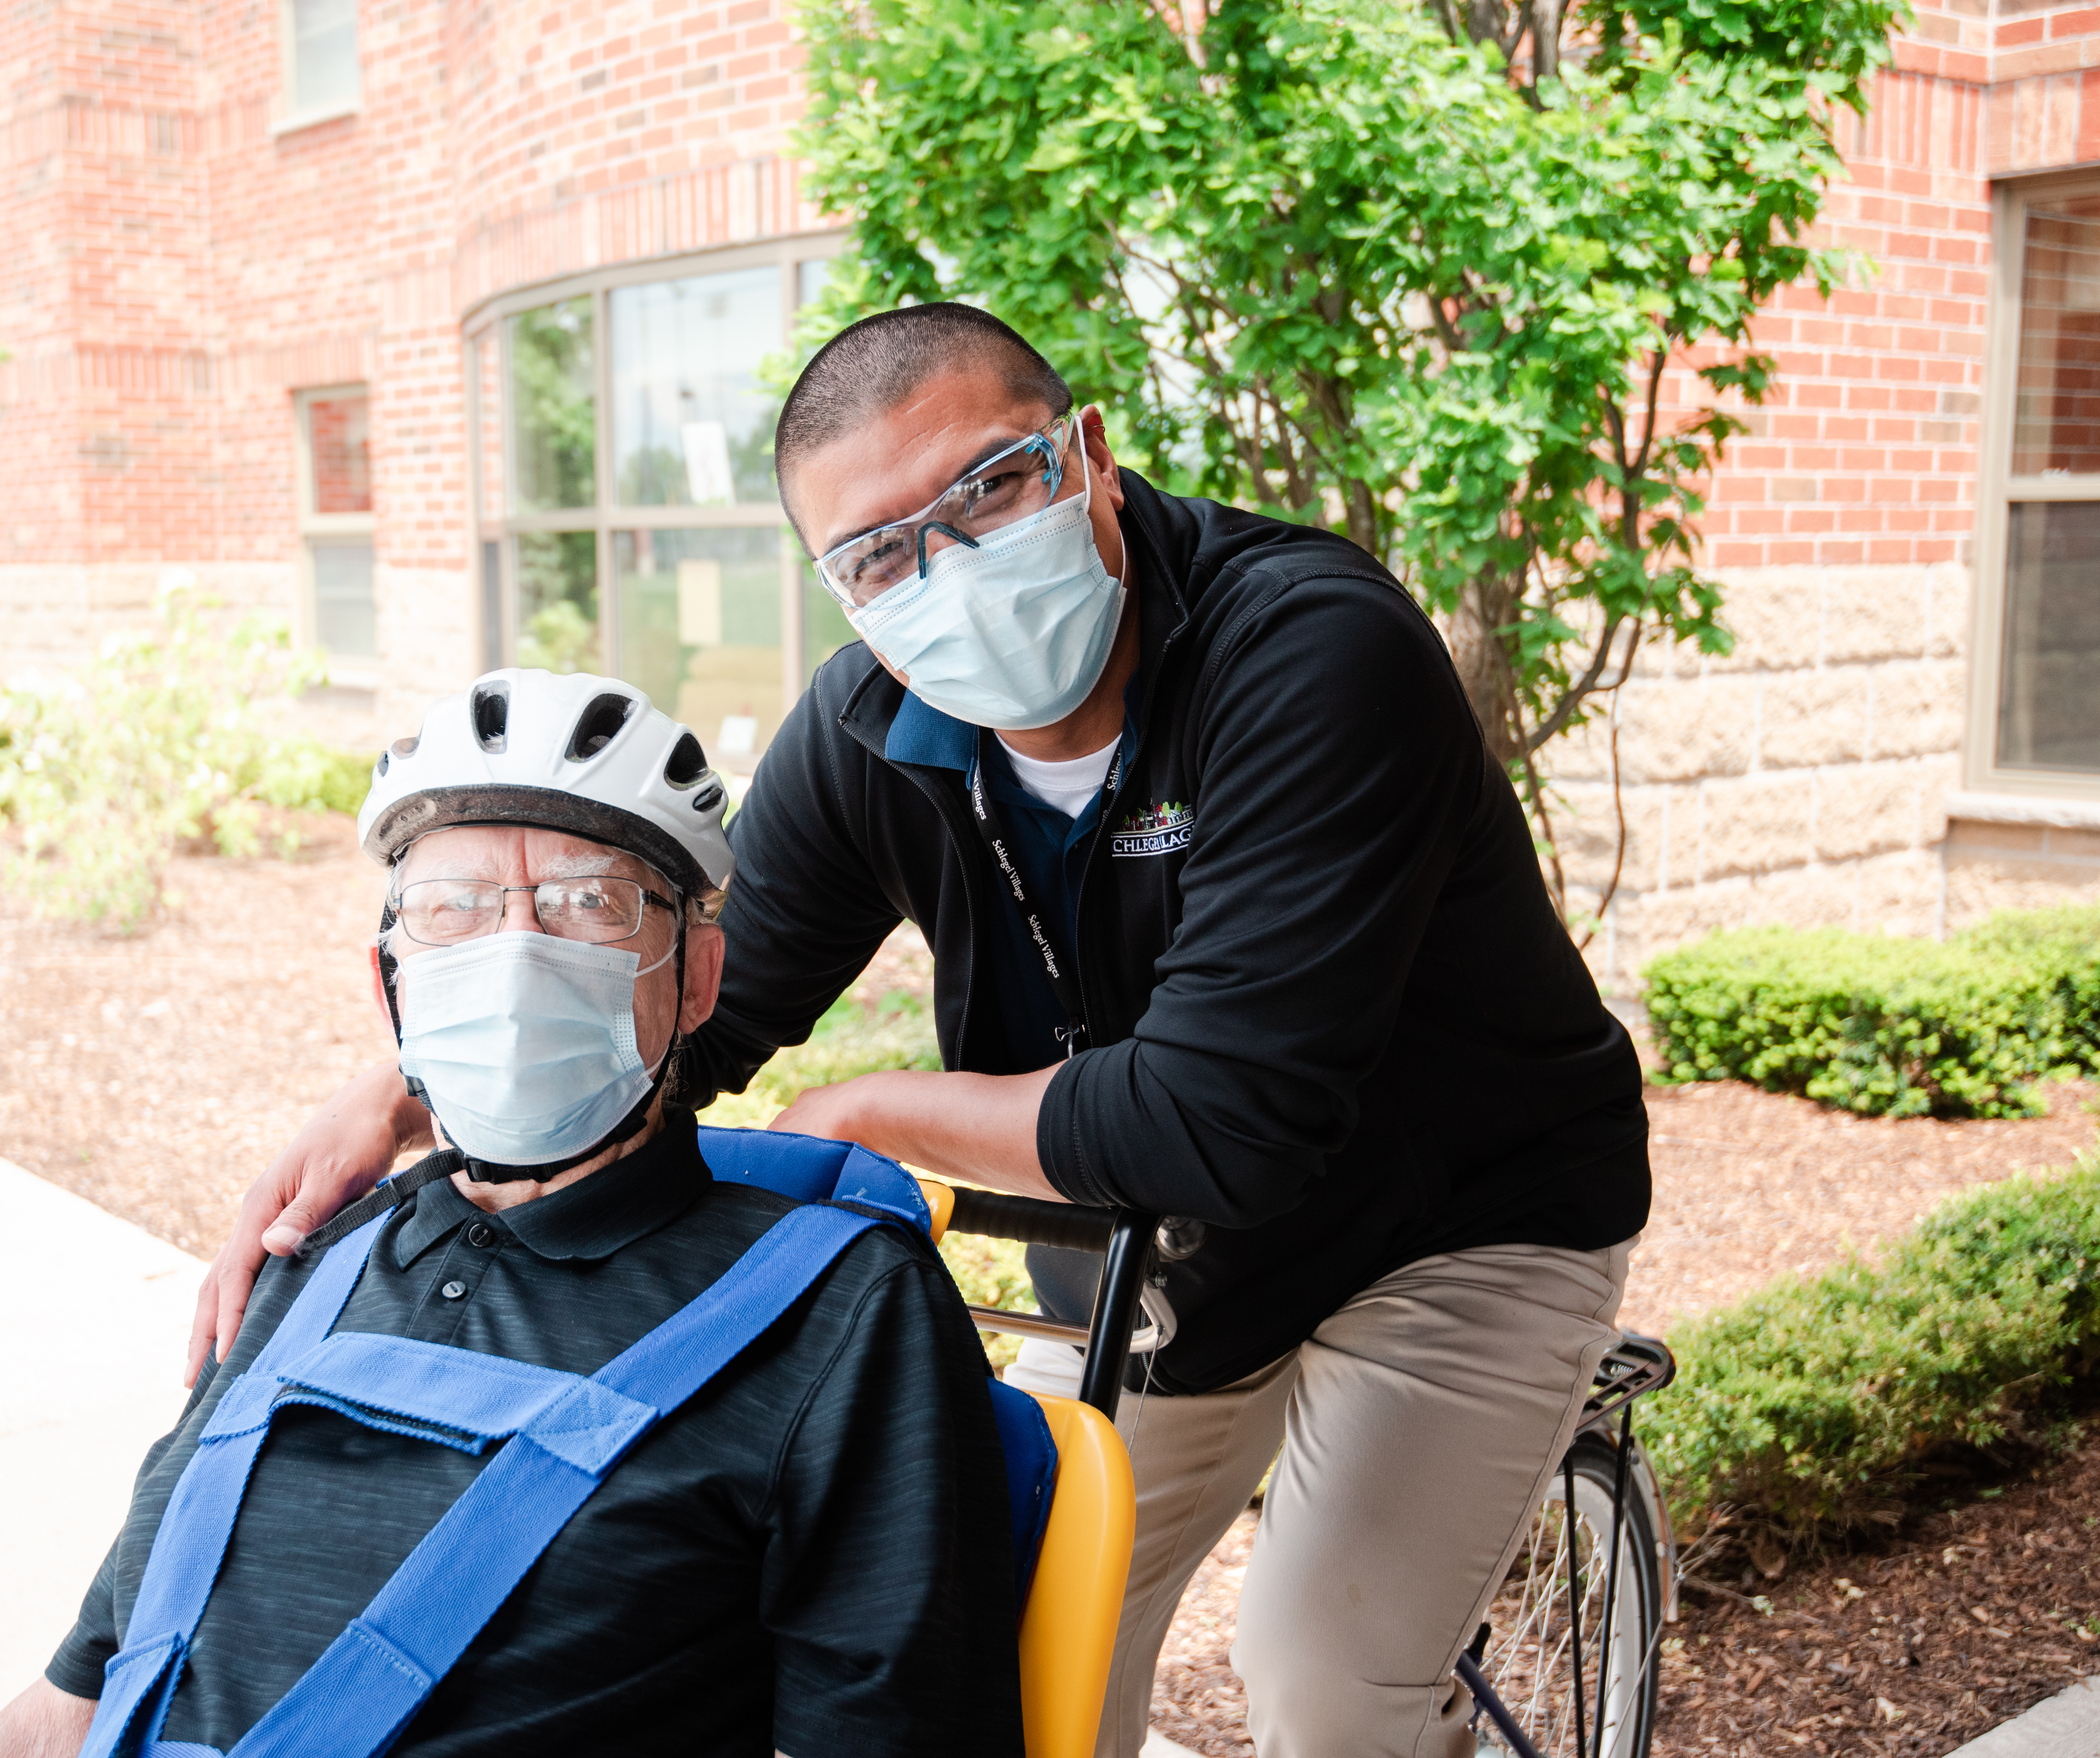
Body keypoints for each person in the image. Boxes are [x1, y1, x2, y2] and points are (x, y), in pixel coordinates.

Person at [194, 304, 1649, 1758]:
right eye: (878, 553)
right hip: (1171, 1254)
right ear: (838, 586)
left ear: (1083, 455)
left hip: (1460, 1217)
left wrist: (865, 1111)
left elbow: (1225, 1117)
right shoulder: (871, 730)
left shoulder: (1312, 651)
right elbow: (690, 999)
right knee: (998, 1619)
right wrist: (395, 1098)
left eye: (988, 489)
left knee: (1322, 1674)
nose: (943, 571)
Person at [0, 671, 1025, 1758]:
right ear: (390, 989)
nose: (516, 953)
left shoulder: (841, 1313)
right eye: (453, 908)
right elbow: (71, 1706)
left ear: (697, 978)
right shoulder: (309, 1261)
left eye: (587, 903)